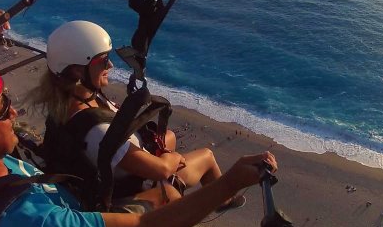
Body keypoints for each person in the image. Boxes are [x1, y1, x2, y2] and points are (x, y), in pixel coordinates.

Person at [0, 20, 278, 227]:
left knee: (166, 145)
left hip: (71, 189)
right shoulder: (34, 223)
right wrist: (230, 182)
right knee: (169, 192)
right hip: (87, 214)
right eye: (3, 112)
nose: (14, 112)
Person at [28, 20, 244, 211]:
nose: (110, 65)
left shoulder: (72, 103)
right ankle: (221, 200)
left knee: (168, 135)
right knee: (205, 156)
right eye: (102, 61)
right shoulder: (97, 130)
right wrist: (172, 159)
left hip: (99, 174)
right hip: (125, 190)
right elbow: (161, 169)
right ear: (77, 71)